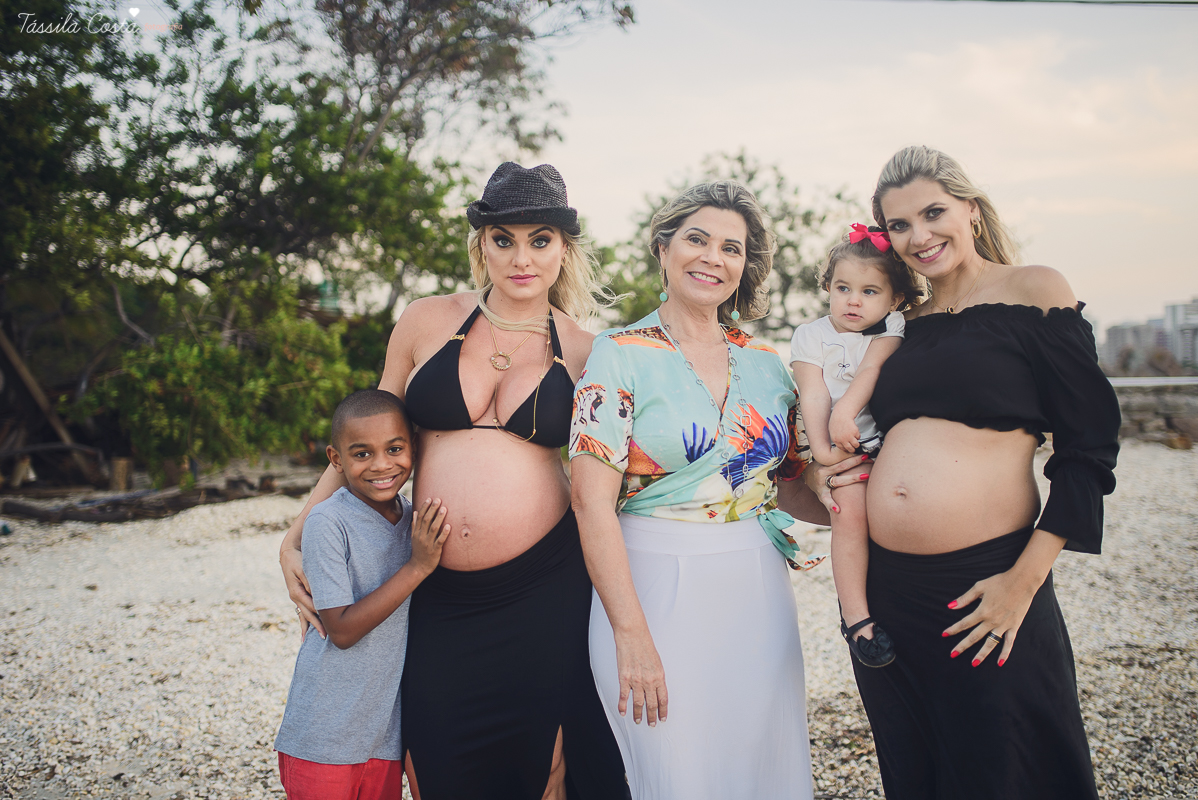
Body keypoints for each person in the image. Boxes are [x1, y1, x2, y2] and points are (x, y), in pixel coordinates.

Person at [279, 163, 629, 800]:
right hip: (433, 581)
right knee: (436, 754)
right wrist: (295, 533)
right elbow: (365, 433)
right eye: (504, 239)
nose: (521, 257)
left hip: (544, 584)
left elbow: (612, 477)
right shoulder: (427, 320)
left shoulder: (588, 350)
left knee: (547, 764)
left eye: (539, 240)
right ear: (481, 245)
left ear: (564, 250)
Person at [851, 145, 1120, 799]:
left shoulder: (1035, 290)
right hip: (889, 593)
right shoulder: (898, 325)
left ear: (969, 209)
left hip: (989, 583)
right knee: (919, 772)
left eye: (933, 212)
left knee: (1010, 767)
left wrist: (1021, 585)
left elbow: (1088, 449)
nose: (919, 235)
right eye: (899, 225)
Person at [570, 181, 825, 800]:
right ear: (663, 249)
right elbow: (589, 503)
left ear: (746, 267)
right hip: (650, 587)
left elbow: (789, 490)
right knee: (672, 772)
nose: (713, 257)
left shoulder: (769, 366)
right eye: (697, 239)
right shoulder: (617, 353)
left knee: (761, 768)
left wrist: (879, 509)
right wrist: (631, 635)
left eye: (732, 248)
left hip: (756, 588)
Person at [274, 389, 450, 800]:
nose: (382, 465)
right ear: (336, 460)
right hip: (324, 735)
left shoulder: (410, 519)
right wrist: (418, 567)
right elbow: (341, 629)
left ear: (414, 447)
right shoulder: (327, 522)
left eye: (394, 449)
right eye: (362, 454)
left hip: (382, 738)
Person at [790, 224, 922, 668]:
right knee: (849, 519)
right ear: (827, 286)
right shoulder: (810, 335)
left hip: (877, 441)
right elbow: (812, 392)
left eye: (869, 292)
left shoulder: (893, 329)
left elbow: (868, 374)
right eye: (843, 287)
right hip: (829, 440)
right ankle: (857, 620)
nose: (853, 300)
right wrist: (825, 451)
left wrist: (847, 414)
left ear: (894, 300)